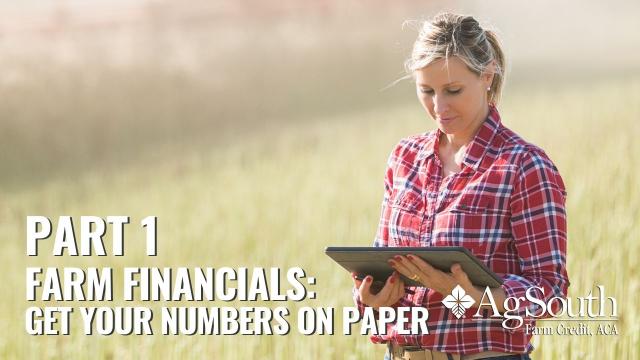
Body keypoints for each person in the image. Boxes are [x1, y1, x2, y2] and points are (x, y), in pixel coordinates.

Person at [351, 12, 569, 360]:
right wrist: (373, 297)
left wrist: (465, 294)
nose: (439, 107)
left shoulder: (524, 166)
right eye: (426, 91)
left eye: (453, 90)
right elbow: (380, 264)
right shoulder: (404, 158)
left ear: (487, 74)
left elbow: (549, 291)